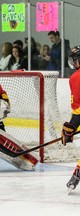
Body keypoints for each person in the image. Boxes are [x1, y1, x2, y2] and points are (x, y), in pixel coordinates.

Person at [61, 45, 80, 192]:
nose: (73, 62)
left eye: (75, 59)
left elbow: (78, 110)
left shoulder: (75, 78)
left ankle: (77, 175)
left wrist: (72, 126)